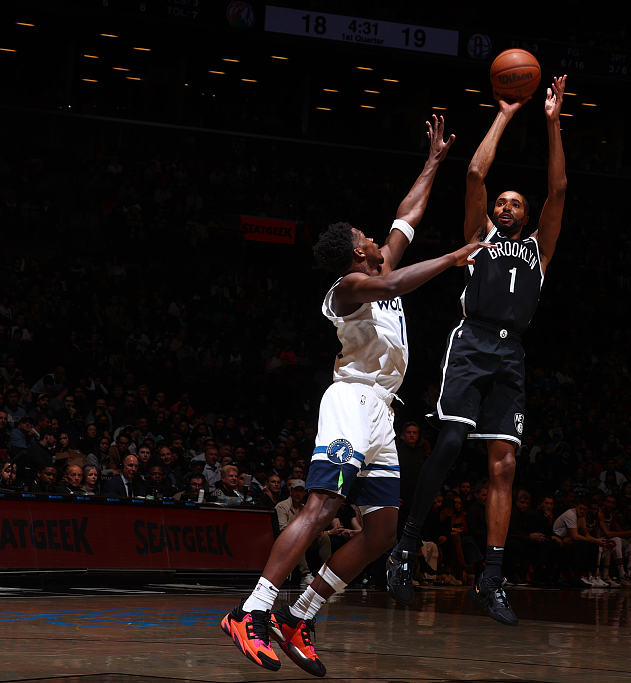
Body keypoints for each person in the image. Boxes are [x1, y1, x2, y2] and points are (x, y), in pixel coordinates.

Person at [221, 117, 483, 676]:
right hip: (351, 401)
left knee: (383, 530)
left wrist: (434, 160)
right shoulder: (348, 287)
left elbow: (407, 216)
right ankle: (252, 611)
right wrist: (454, 258)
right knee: (322, 507)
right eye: (369, 236)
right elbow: (390, 284)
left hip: (383, 411)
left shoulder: (380, 261)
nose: (377, 236)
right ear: (356, 251)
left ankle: (301, 615)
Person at [389, 75, 569, 628]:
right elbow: (473, 173)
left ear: (528, 212)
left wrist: (551, 121)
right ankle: (405, 549)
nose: (508, 206)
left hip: (512, 355)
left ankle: (490, 579)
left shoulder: (539, 249)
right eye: (502, 203)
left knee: (505, 465)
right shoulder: (479, 238)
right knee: (448, 441)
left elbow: (559, 190)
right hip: (472, 342)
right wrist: (508, 112)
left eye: (517, 202)